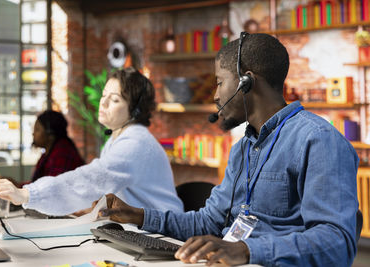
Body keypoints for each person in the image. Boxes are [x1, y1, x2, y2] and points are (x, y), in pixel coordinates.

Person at [99, 33, 359, 266]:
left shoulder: (318, 140)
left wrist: (246, 250)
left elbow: (336, 242)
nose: (215, 95)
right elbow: (208, 223)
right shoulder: (242, 149)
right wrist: (139, 216)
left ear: (247, 82)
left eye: (220, 82)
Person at [0, 67, 184, 215]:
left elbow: (93, 178)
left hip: (162, 237)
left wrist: (28, 194)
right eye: (104, 95)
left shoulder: (136, 143)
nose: (104, 103)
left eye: (115, 99)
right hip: (141, 231)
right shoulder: (118, 138)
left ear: (136, 110)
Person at [0, 110, 85, 188]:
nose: (33, 133)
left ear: (50, 134)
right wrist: (17, 185)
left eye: (37, 130)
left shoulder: (62, 153)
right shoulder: (50, 152)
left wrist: (18, 187)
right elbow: (40, 184)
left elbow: (50, 188)